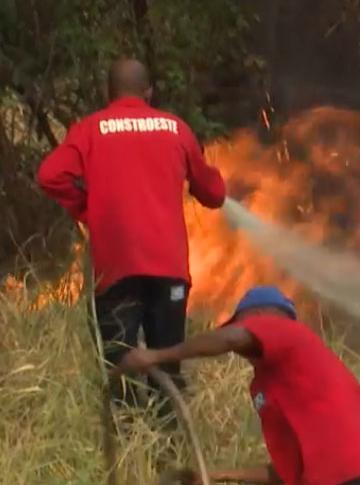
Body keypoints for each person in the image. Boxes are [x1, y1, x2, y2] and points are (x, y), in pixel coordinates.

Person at [37, 58, 226, 420]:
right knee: (167, 363)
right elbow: (214, 194)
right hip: (169, 272)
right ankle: (168, 450)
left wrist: (86, 209)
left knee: (119, 364)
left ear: (108, 93)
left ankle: (125, 447)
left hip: (116, 271)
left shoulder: (90, 129)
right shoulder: (176, 128)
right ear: (149, 91)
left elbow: (49, 175)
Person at [115, 286, 360, 485]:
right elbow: (286, 473)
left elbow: (231, 339)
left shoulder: (286, 331)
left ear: (260, 315)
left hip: (352, 470)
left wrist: (156, 355)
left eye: (237, 323)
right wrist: (217, 476)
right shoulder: (272, 382)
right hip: (352, 470)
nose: (233, 335)